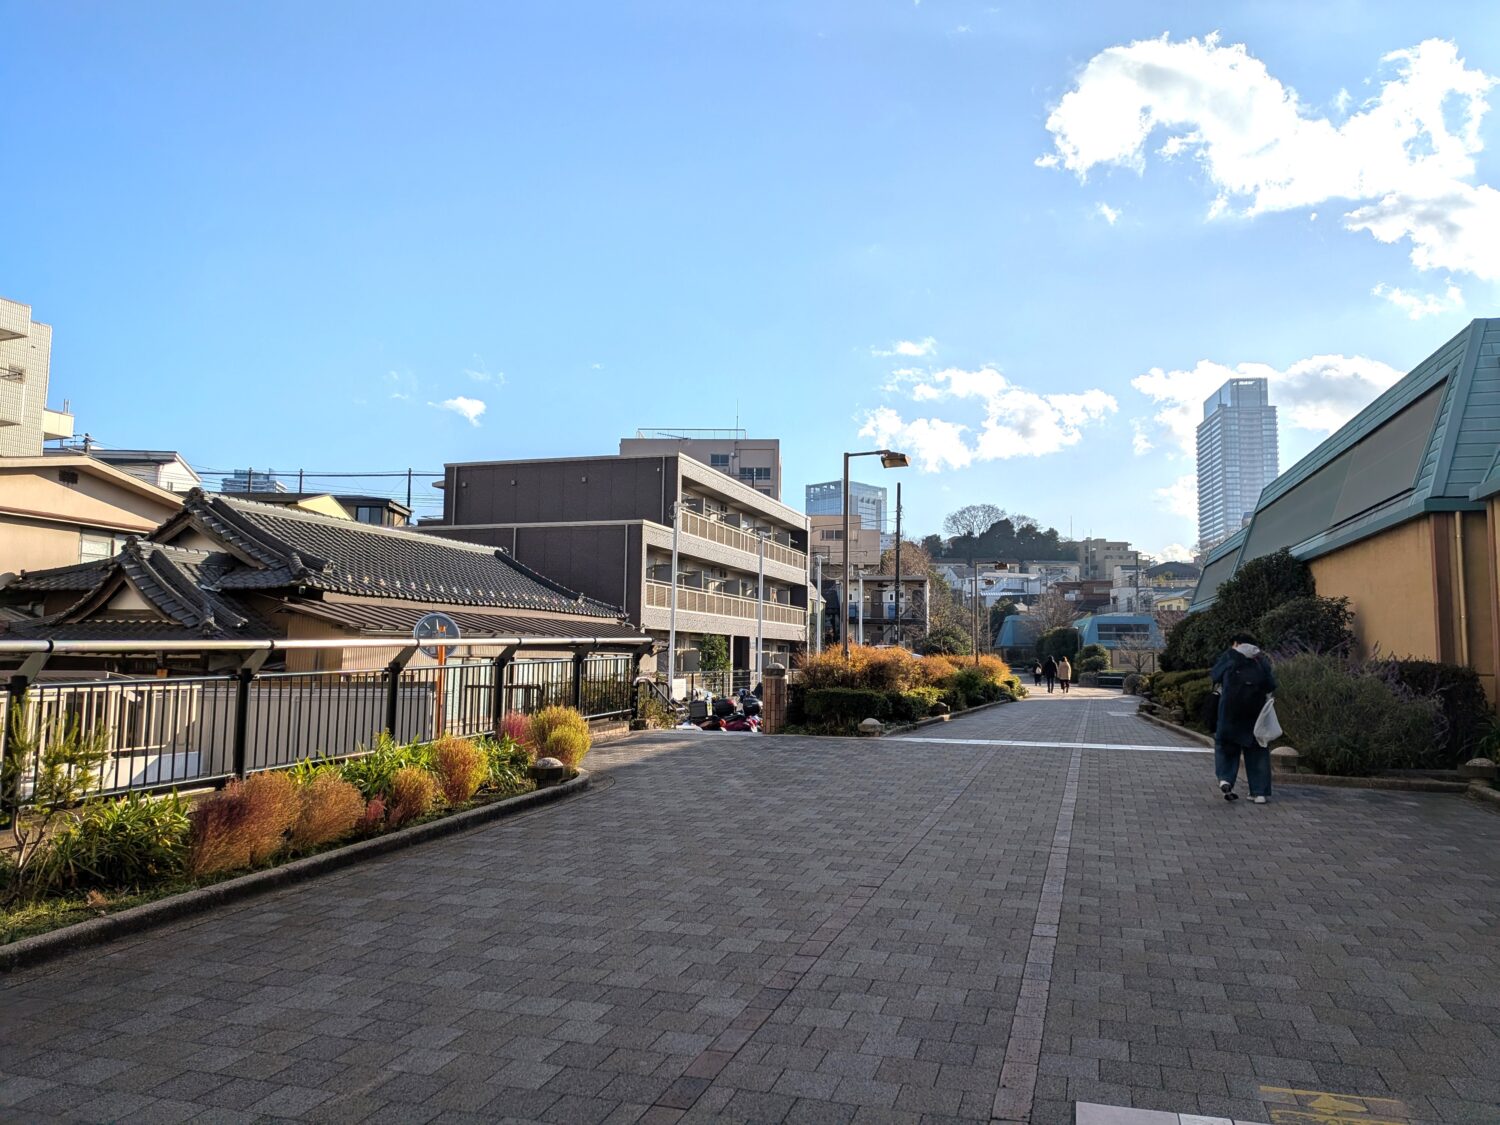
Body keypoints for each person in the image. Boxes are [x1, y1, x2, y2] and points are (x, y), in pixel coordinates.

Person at [1210, 631, 1277, 804]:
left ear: (1236, 643)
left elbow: (1215, 676)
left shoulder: (1230, 657)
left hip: (1230, 712)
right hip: (1255, 713)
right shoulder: (1260, 660)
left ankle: (1225, 779)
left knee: (1226, 746)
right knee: (1257, 750)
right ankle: (1259, 792)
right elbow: (1271, 684)